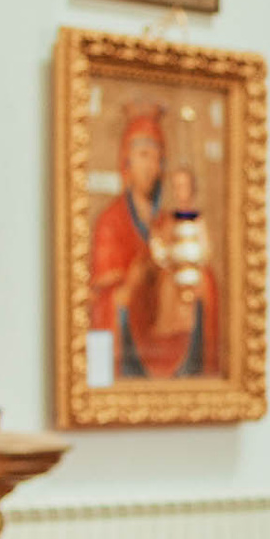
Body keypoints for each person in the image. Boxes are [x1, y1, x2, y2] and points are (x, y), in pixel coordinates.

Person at [88, 106, 217, 379]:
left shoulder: (165, 222)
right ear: (126, 162)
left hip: (165, 323)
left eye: (157, 158)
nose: (151, 166)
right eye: (143, 156)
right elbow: (101, 298)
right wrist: (132, 283)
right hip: (131, 339)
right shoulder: (111, 222)